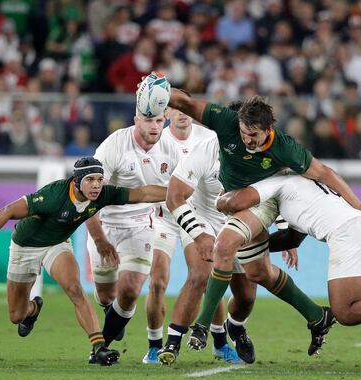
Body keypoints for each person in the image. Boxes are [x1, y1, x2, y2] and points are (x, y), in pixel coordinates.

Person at [166, 82, 361, 356]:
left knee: (246, 292)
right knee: (244, 268)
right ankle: (200, 329)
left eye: (253, 134)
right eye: (242, 133)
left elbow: (322, 173)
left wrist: (360, 205)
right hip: (210, 219)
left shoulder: (284, 147)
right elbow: (184, 104)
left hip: (259, 204)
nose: (246, 140)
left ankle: (232, 326)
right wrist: (158, 87)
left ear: (267, 129)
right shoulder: (212, 141)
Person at [216, 173, 361, 375]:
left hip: (349, 234)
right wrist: (256, 252)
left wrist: (223, 207)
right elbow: (292, 239)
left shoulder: (275, 182)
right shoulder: (309, 184)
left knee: (345, 311)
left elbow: (238, 200)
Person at [0, 157, 167, 365]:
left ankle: (99, 347)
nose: (96, 185)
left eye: (99, 179)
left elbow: (143, 193)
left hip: (57, 245)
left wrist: (178, 193)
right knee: (16, 315)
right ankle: (33, 309)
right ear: (77, 181)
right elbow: (8, 211)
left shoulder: (102, 193)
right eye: (90, 180)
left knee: (75, 289)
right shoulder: (53, 195)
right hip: (25, 247)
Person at [142, 107, 243, 364]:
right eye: (176, 110)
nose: (182, 114)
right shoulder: (156, 139)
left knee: (206, 275)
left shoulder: (208, 138)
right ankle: (155, 344)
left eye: (186, 110)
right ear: (166, 113)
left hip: (194, 216)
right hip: (164, 219)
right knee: (156, 281)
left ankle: (219, 342)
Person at [85, 108, 181, 358]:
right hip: (105, 224)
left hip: (141, 225)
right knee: (107, 295)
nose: (154, 126)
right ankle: (111, 313)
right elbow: (88, 195)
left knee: (129, 290)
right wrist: (99, 239)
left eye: (159, 121)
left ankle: (100, 348)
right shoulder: (114, 145)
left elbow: (183, 188)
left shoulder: (171, 149)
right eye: (148, 120)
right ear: (136, 120)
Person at [158, 134, 258, 365]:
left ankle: (236, 329)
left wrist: (285, 231)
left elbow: (275, 191)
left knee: (246, 296)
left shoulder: (260, 149)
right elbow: (175, 196)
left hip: (239, 223)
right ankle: (173, 342)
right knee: (200, 274)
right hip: (202, 218)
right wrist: (198, 233)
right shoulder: (204, 150)